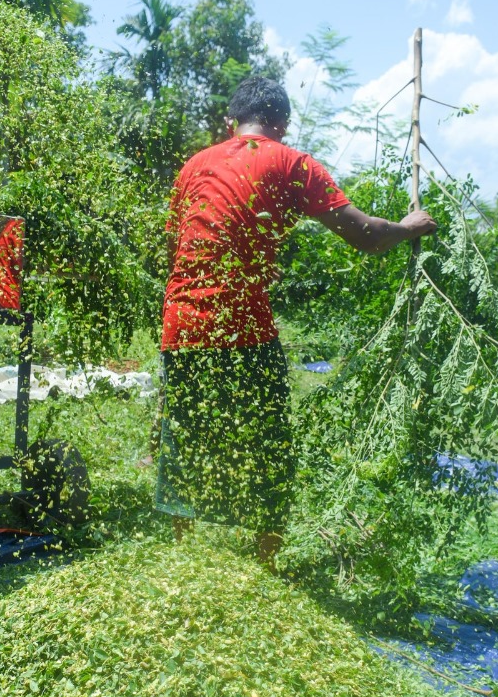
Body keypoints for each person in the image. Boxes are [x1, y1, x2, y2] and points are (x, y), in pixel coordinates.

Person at [154, 74, 437, 568]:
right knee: (266, 446)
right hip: (241, 324)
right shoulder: (291, 162)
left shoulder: (193, 166)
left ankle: (182, 557)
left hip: (181, 323)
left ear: (231, 122)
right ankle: (265, 566)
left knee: (189, 434)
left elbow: (174, 243)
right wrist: (408, 227)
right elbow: (367, 236)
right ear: (281, 124)